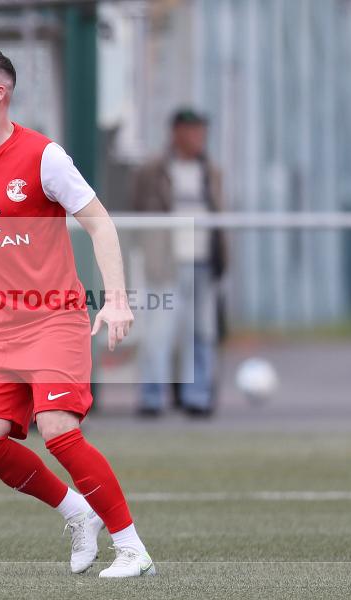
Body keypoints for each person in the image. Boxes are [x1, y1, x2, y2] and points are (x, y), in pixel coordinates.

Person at [0, 49, 154, 578]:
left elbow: (100, 224)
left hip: (54, 318)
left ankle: (132, 549)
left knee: (58, 428)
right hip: (0, 327)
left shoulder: (44, 157)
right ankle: (76, 511)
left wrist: (118, 298)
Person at [132, 109, 227, 417]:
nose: (198, 138)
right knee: (159, 331)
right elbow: (136, 214)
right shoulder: (153, 171)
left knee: (201, 331)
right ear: (176, 133)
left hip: (202, 261)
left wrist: (222, 257)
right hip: (166, 261)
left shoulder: (211, 171)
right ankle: (153, 396)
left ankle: (197, 396)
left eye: (201, 132)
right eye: (192, 131)